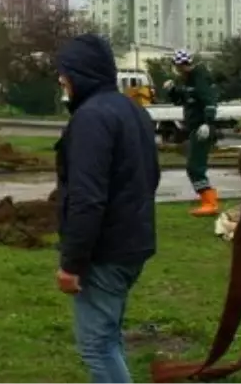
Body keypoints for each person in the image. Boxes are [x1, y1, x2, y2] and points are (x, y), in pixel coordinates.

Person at [54, 33, 161, 383]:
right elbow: (152, 177)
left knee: (96, 346)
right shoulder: (133, 110)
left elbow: (87, 197)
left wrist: (72, 263)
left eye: (65, 72)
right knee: (109, 336)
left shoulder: (91, 119)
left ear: (80, 74)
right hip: (133, 244)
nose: (61, 79)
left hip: (105, 252)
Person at [164, 48, 220, 216]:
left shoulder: (199, 77)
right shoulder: (187, 80)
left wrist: (207, 124)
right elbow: (182, 99)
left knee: (195, 166)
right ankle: (208, 201)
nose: (180, 69)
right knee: (194, 166)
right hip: (195, 128)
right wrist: (172, 90)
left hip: (201, 128)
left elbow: (209, 101)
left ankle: (210, 202)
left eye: (180, 66)